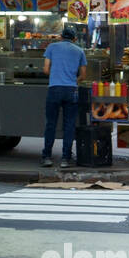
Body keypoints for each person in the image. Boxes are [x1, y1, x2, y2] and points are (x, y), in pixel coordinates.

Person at [42, 25, 87, 168]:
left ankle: (47, 157)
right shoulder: (80, 51)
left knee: (51, 124)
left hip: (54, 89)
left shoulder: (51, 47)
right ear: (74, 39)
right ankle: (65, 159)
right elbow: (83, 75)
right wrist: (73, 80)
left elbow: (45, 69)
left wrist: (56, 76)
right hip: (71, 91)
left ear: (61, 36)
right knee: (69, 125)